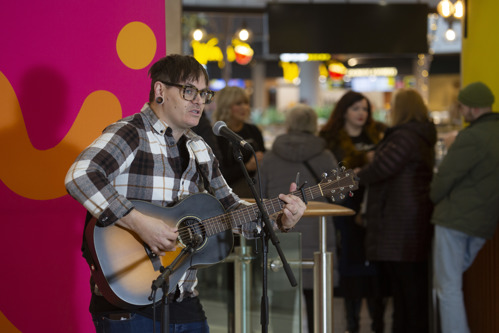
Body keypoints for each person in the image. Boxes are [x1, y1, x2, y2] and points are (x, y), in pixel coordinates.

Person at [64, 54, 306, 333]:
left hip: (183, 297)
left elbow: (230, 209)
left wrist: (278, 219)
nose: (199, 101)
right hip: (128, 298)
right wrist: (140, 223)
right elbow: (79, 175)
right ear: (160, 91)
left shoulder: (199, 148)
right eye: (189, 91)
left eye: (204, 93)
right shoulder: (131, 133)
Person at [356, 88, 437, 333]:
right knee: (408, 293)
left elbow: (381, 167)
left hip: (400, 224)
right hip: (409, 220)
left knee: (407, 292)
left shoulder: (405, 137)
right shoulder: (419, 135)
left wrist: (352, 178)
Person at [259, 104, 339, 333]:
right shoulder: (325, 155)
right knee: (319, 305)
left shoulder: (271, 157)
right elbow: (337, 197)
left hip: (282, 236)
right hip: (319, 235)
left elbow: (260, 195)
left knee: (283, 308)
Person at [431, 81, 499, 333]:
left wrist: (450, 148)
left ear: (471, 108)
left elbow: (441, 184)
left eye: (462, 107)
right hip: (484, 222)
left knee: (447, 289)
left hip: (454, 221)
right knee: (453, 281)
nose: (461, 112)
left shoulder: (469, 137)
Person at [319, 91, 387, 333]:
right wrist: (362, 160)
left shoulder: (378, 136)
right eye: (356, 108)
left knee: (376, 270)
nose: (362, 113)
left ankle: (378, 323)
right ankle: (352, 324)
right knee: (351, 267)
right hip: (345, 211)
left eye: (365, 109)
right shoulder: (331, 141)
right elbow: (330, 181)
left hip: (374, 209)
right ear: (344, 111)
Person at [211, 86, 266, 198]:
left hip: (257, 191)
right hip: (229, 196)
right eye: (238, 103)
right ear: (225, 106)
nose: (244, 107)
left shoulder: (253, 130)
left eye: (246, 103)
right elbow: (217, 175)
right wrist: (246, 167)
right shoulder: (216, 136)